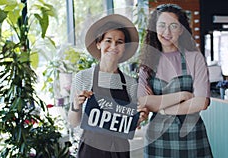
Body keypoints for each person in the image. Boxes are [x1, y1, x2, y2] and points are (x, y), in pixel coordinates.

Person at [137, 4, 213, 158]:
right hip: (157, 138)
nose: (167, 32)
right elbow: (144, 101)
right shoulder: (147, 62)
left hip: (191, 135)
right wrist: (182, 95)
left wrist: (163, 109)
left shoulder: (195, 58)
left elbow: (201, 102)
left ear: (181, 30)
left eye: (173, 26)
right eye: (162, 26)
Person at [68, 14, 148, 158]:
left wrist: (139, 118)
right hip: (90, 151)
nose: (113, 46)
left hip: (119, 151)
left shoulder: (130, 83)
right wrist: (76, 105)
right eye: (108, 41)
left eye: (119, 42)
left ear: (124, 48)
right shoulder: (83, 77)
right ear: (99, 44)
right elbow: (74, 122)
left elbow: (130, 126)